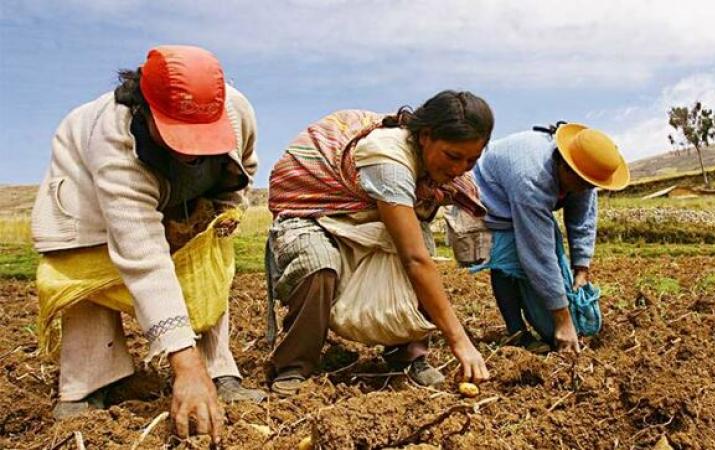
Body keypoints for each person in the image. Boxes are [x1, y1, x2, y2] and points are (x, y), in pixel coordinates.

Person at [31, 45, 263, 443]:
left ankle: (218, 368)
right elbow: (143, 258)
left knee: (205, 261)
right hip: (88, 204)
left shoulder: (235, 109)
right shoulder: (114, 143)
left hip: (185, 196)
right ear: (146, 110)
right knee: (88, 275)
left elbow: (245, 165)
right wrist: (182, 368)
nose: (190, 152)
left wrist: (223, 213)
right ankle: (87, 385)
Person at [266, 91, 494, 396]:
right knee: (316, 264)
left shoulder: (439, 172)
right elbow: (415, 260)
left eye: (471, 160)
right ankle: (295, 365)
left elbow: (414, 249)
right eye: (453, 156)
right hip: (315, 212)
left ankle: (408, 355)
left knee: (420, 244)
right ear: (425, 136)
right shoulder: (388, 159)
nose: (459, 169)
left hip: (367, 213)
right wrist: (459, 340)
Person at [472, 123, 629, 353]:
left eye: (591, 186)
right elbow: (539, 255)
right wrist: (562, 321)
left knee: (555, 280)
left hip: (520, 197)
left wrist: (581, 268)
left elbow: (582, 218)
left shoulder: (583, 173)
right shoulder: (532, 180)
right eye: (583, 184)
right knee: (506, 263)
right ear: (564, 167)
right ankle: (517, 333)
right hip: (488, 199)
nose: (586, 189)